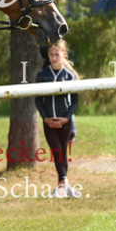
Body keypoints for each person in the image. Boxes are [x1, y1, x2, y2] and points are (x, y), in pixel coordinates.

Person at [34, 40, 81, 198]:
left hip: (65, 122)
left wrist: (66, 118)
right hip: (49, 122)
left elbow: (75, 101)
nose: (53, 57)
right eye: (51, 54)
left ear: (64, 55)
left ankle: (63, 184)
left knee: (62, 151)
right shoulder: (42, 74)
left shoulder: (70, 76)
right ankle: (63, 183)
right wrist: (45, 118)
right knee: (56, 151)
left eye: (57, 54)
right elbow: (38, 99)